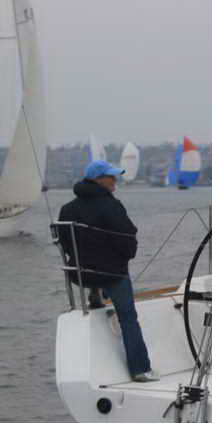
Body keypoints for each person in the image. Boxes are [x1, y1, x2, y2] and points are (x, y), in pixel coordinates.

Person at [57, 160, 157, 382]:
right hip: (110, 274)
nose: (115, 180)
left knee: (96, 266)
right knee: (128, 318)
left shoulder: (67, 209)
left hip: (80, 274)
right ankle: (140, 369)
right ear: (98, 180)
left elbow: (65, 243)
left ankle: (95, 294)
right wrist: (127, 256)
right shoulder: (112, 206)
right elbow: (127, 239)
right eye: (111, 177)